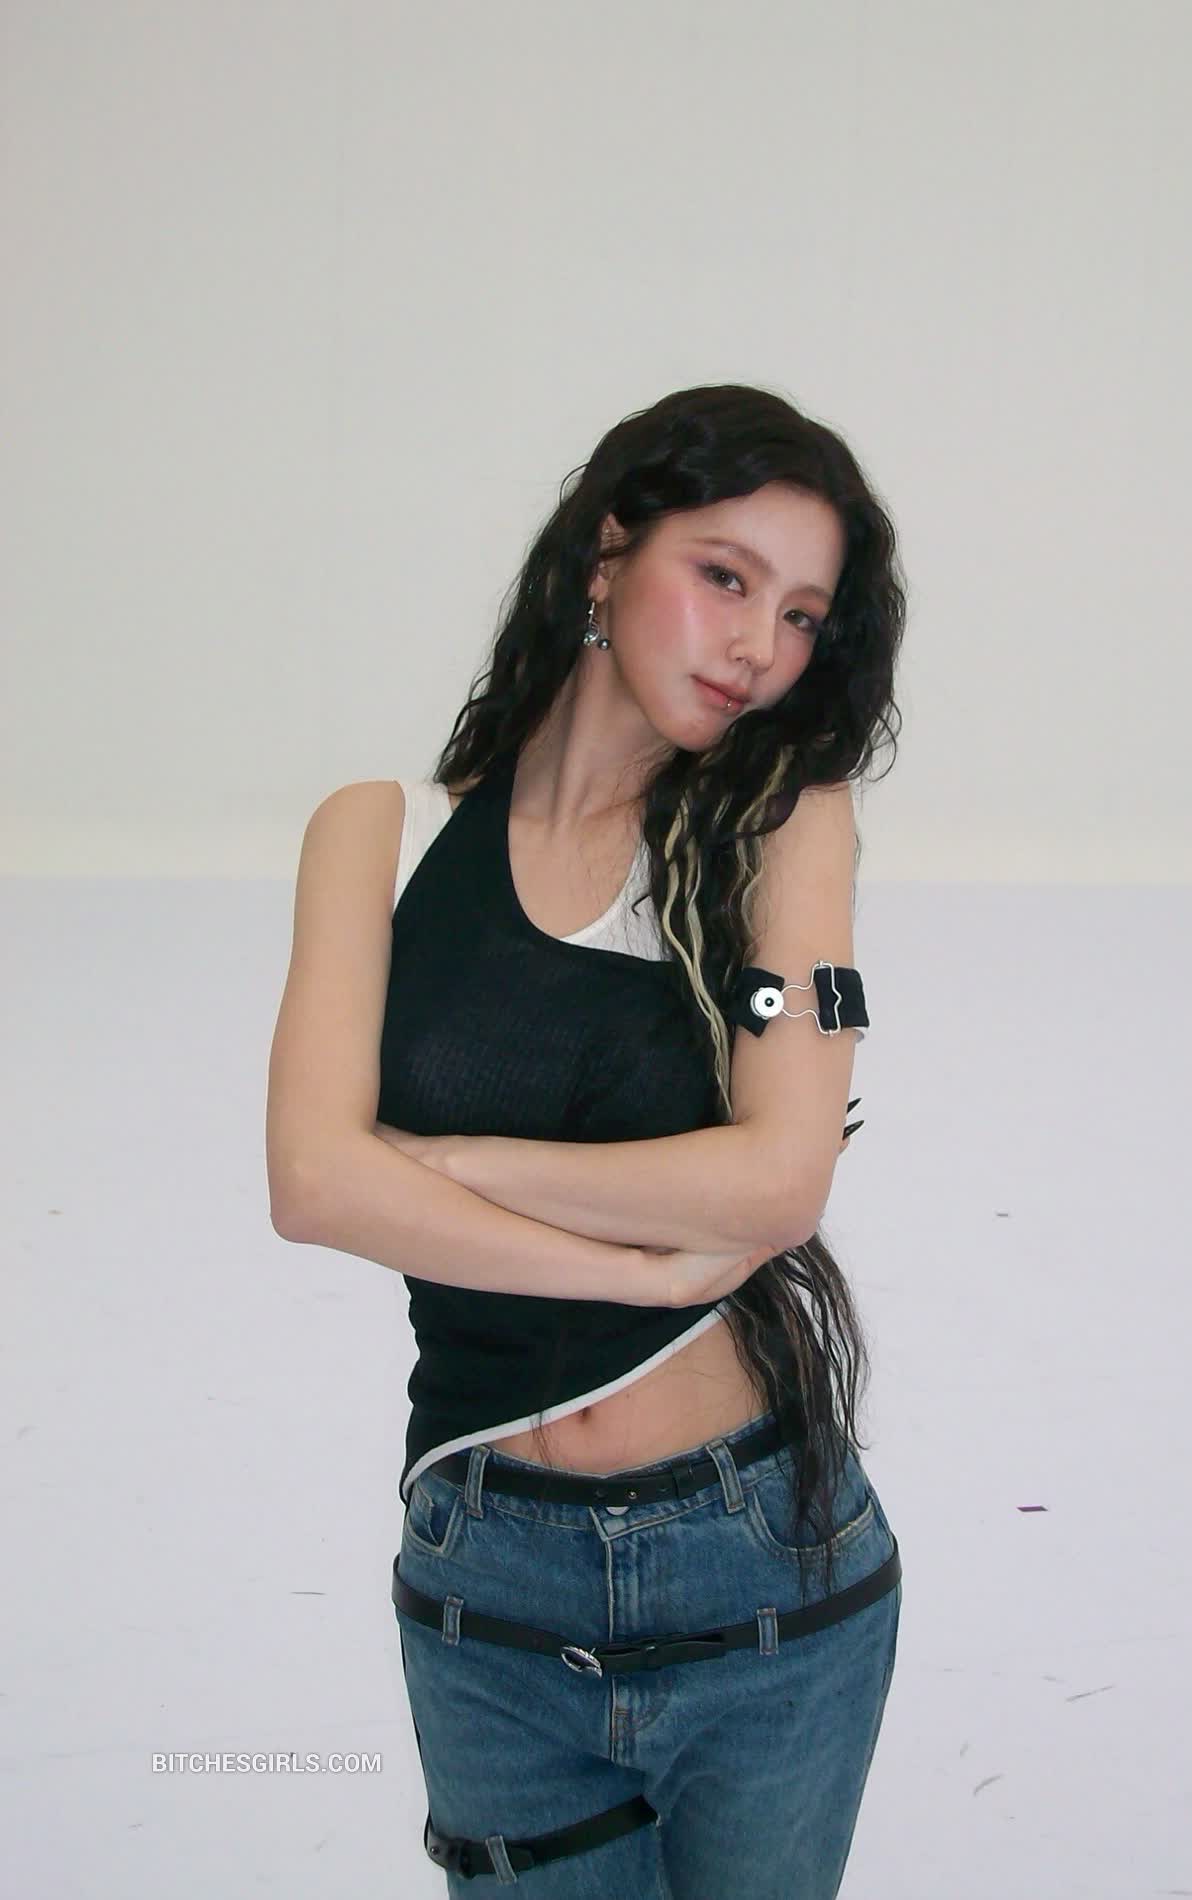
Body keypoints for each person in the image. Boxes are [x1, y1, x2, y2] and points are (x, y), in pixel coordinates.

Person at [266, 382, 908, 1895]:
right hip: (487, 1582)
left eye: (801, 616)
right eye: (724, 577)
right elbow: (312, 1182)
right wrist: (640, 1268)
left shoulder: (779, 827)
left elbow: (778, 1178)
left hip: (760, 1571)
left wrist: (452, 1166)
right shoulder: (381, 834)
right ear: (608, 554)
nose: (758, 647)